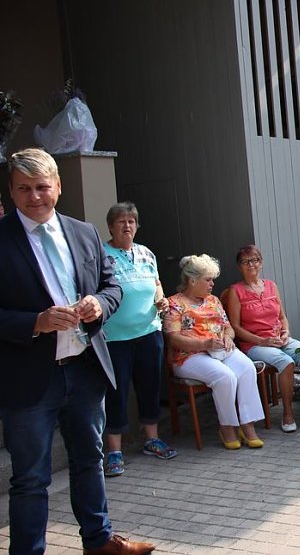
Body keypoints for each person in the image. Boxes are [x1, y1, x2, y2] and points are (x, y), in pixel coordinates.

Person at [0, 148, 155, 554]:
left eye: (42, 187)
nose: (34, 196)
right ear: (12, 192)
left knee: (90, 460)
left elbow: (112, 286)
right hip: (30, 378)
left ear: (59, 187)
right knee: (31, 478)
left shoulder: (83, 233)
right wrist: (35, 321)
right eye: (24, 188)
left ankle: (99, 541)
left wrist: (99, 304)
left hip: (85, 370)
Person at [102, 202, 177, 478]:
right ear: (110, 226)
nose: (127, 226)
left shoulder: (146, 253)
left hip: (149, 333)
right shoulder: (102, 254)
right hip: (115, 338)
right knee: (117, 392)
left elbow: (156, 283)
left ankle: (151, 439)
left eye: (131, 221)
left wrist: (162, 300)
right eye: (121, 221)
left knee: (149, 387)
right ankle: (114, 451)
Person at [163, 254, 266, 449]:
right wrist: (206, 343)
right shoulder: (174, 304)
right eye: (208, 279)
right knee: (225, 377)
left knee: (247, 369)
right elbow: (173, 338)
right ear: (192, 280)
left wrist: (228, 336)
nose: (212, 284)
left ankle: (247, 424)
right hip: (189, 356)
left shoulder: (214, 300)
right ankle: (227, 427)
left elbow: (228, 327)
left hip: (219, 350)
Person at [224, 245, 300, 433]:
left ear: (261, 263)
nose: (251, 264)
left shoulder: (271, 285)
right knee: (286, 362)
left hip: (279, 338)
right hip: (254, 344)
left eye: (255, 260)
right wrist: (262, 341)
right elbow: (235, 328)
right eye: (245, 261)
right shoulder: (235, 291)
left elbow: (282, 316)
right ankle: (287, 414)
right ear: (239, 266)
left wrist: (286, 331)